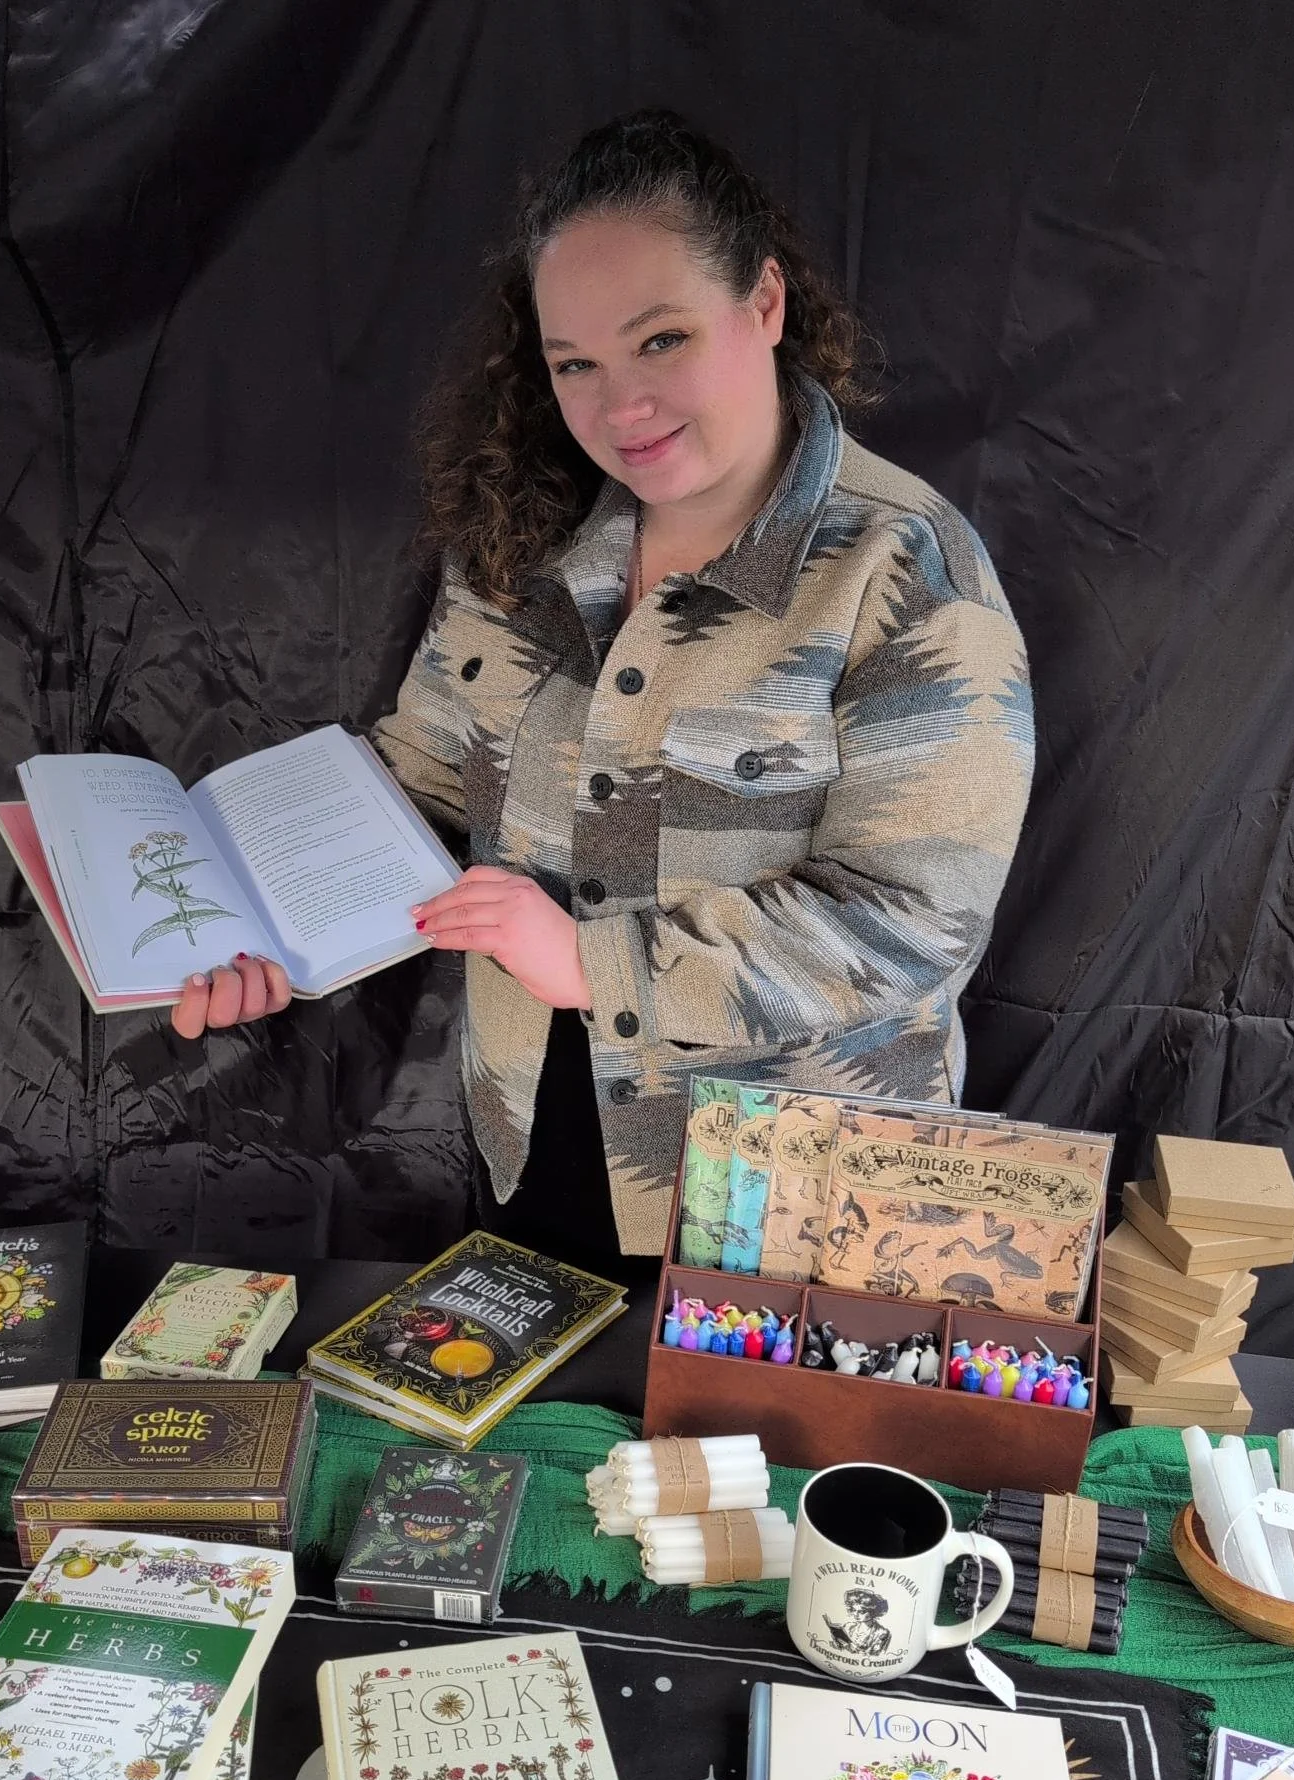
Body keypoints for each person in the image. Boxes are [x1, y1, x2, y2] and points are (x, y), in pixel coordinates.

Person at [173, 109, 1034, 1280]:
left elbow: (913, 919)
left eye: (662, 339)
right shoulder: (516, 548)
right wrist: (252, 920)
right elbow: (416, 779)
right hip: (539, 1146)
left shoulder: (909, 575)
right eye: (575, 363)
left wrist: (597, 964)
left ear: (766, 303)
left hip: (794, 1210)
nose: (620, 404)